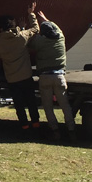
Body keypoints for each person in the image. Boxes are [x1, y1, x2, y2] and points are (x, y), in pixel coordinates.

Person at [0, 2, 41, 134]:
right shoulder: (22, 36)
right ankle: (36, 124)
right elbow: (36, 29)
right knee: (31, 102)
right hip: (26, 76)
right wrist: (30, 14)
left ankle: (24, 127)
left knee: (19, 105)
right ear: (13, 25)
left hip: (12, 79)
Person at [29, 11, 76, 141]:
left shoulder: (39, 42)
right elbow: (55, 27)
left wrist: (29, 19)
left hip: (44, 77)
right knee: (65, 105)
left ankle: (55, 131)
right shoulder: (61, 37)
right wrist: (44, 18)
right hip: (59, 76)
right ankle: (71, 131)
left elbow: (28, 42)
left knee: (48, 107)